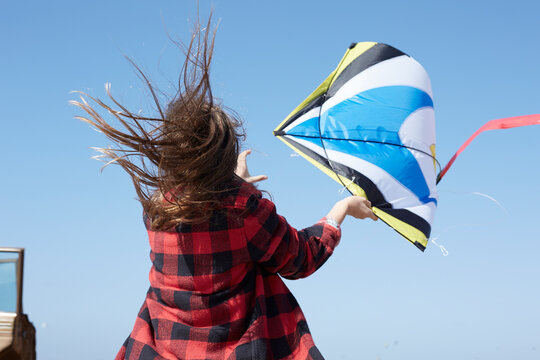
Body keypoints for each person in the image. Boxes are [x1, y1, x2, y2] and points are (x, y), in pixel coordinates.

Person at [73, 15, 377, 360]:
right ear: (224, 156)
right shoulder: (243, 208)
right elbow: (298, 259)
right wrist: (340, 212)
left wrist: (237, 185)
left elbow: (205, 214)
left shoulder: (157, 208)